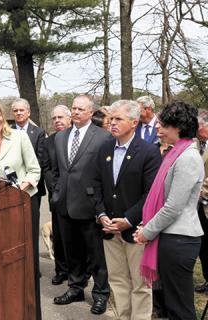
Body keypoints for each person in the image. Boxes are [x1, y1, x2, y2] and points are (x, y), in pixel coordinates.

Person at [134, 101, 204, 320]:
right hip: (170, 237)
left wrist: (147, 231)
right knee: (173, 306)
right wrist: (148, 225)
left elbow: (173, 207)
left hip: (180, 240)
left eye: (164, 125)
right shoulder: (177, 153)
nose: (158, 128)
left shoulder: (188, 157)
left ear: (179, 127)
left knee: (180, 308)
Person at [0, 100, 42, 319]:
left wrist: (19, 189)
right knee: (2, 262)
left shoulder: (19, 137)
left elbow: (34, 170)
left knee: (26, 263)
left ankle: (31, 312)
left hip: (22, 205)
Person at [96, 100, 161, 320]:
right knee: (118, 281)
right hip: (108, 229)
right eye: (111, 118)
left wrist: (128, 219)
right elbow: (96, 185)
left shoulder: (148, 152)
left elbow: (150, 195)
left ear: (134, 122)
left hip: (135, 231)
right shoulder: (104, 148)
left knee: (140, 285)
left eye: (118, 119)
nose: (112, 123)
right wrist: (101, 214)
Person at [51, 94, 110, 315]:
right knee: (72, 252)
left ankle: (101, 294)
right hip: (65, 204)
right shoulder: (60, 137)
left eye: (80, 109)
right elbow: (58, 170)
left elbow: (105, 174)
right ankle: (75, 288)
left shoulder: (103, 137)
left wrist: (101, 206)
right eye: (73, 108)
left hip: (89, 204)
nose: (75, 112)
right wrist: (57, 193)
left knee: (96, 255)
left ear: (90, 112)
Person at [42, 105, 71, 285]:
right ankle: (61, 270)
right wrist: (57, 189)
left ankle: (80, 273)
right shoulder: (49, 142)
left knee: (76, 239)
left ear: (69, 119)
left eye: (61, 117)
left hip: (78, 197)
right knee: (59, 238)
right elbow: (46, 168)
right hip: (57, 197)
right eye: (54, 118)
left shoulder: (78, 139)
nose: (57, 121)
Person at [11, 98, 46, 207]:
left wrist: (28, 179)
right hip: (12, 184)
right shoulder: (7, 132)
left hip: (33, 185)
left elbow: (40, 158)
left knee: (32, 220)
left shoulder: (38, 132)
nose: (19, 113)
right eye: (15, 111)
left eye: (21, 110)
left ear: (28, 112)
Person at [195, 110, 208, 294]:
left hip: (205, 201)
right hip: (199, 207)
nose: (196, 131)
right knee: (203, 247)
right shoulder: (198, 144)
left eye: (198, 127)